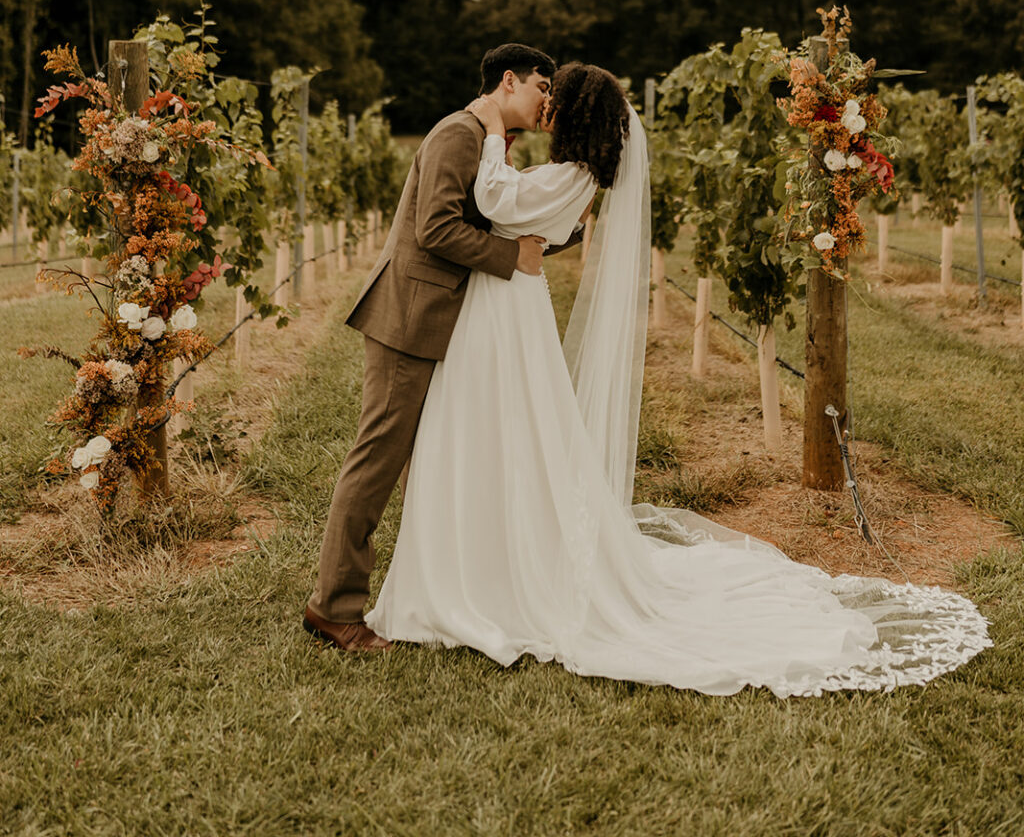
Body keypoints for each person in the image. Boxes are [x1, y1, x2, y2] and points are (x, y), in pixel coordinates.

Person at [366, 62, 990, 697]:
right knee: (502, 431)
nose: (548, 104)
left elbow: (494, 198)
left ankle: (481, 570)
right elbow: (511, 213)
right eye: (543, 92)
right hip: (503, 307)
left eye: (559, 98)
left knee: (494, 428)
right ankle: (484, 555)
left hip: (502, 314)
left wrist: (494, 126)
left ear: (579, 119)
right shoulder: (572, 178)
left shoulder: (564, 176)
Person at [304, 42, 568, 652]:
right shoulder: (459, 133)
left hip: (441, 320)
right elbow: (436, 228)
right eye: (541, 90)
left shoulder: (492, 140)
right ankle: (334, 608)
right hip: (410, 319)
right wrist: (512, 258)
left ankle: (436, 590)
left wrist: (557, 225)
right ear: (509, 80)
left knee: (427, 460)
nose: (546, 103)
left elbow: (492, 220)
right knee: (378, 461)